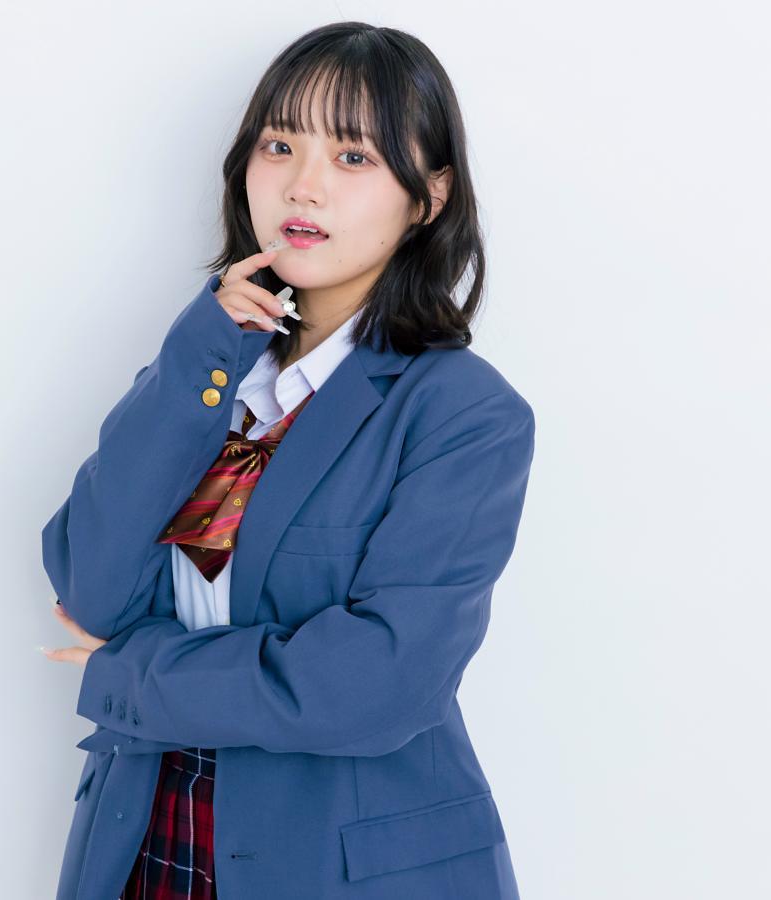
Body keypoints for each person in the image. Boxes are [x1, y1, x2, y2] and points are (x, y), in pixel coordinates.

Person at [40, 20, 535, 900]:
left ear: (429, 197)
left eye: (353, 157)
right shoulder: (209, 374)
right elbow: (92, 589)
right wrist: (201, 349)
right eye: (280, 145)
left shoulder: (463, 414)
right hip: (146, 837)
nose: (304, 184)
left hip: (342, 868)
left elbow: (375, 683)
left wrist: (136, 675)